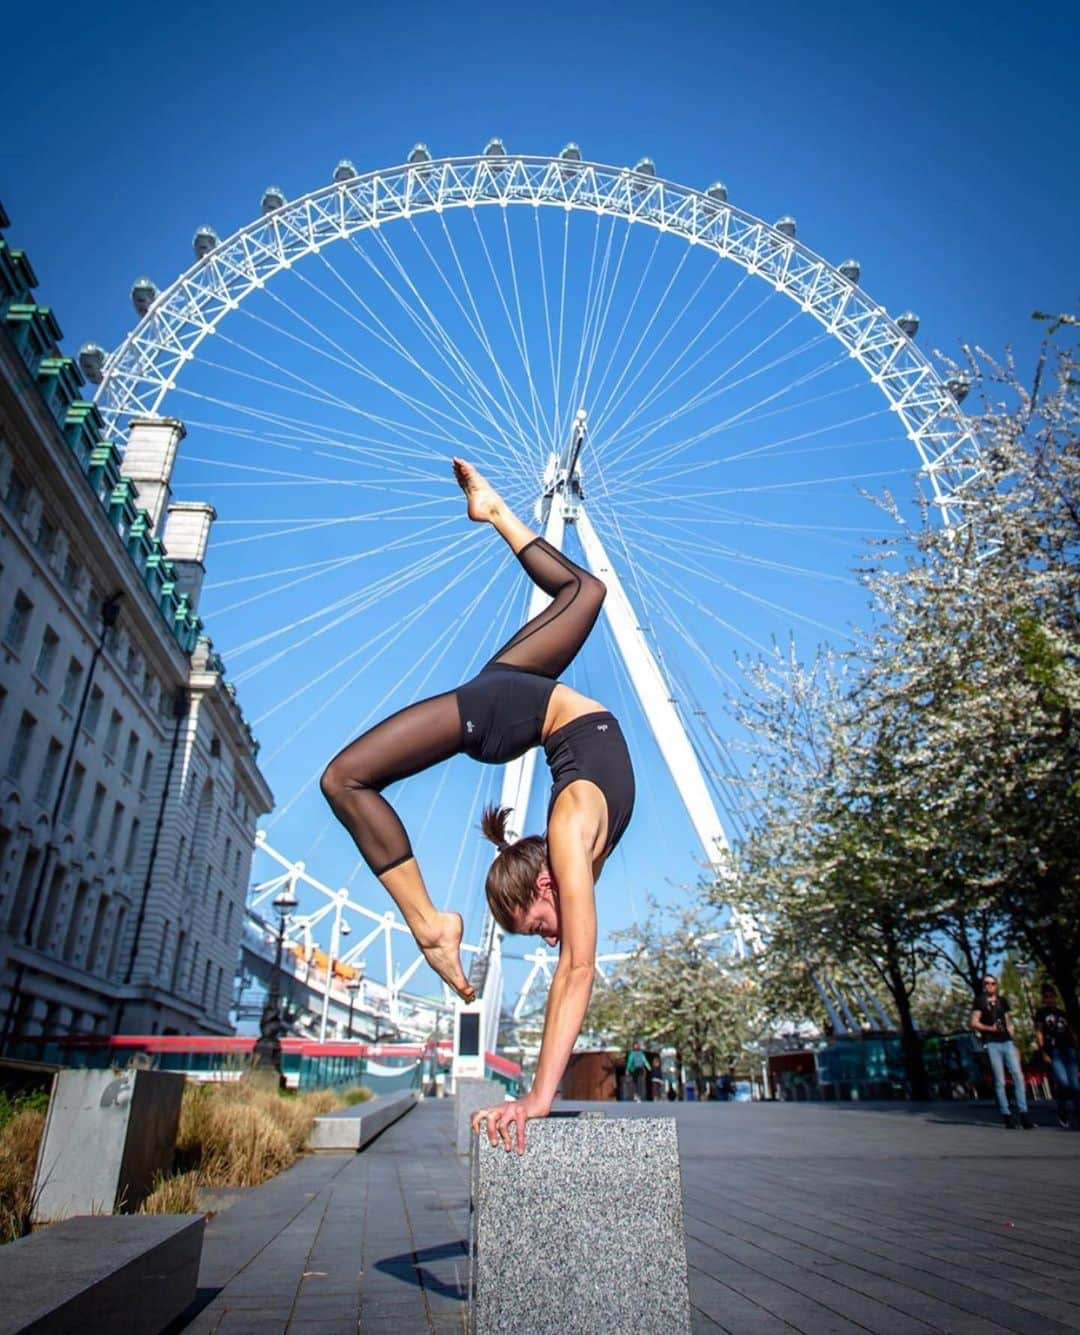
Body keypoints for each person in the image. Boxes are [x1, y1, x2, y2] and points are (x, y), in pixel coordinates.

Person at [321, 458, 635, 1153]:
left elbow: (575, 967)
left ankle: (431, 924)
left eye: (537, 922)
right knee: (585, 590)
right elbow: (575, 965)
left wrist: (538, 1096)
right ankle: (492, 510)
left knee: (345, 778)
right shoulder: (570, 839)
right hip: (520, 698)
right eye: (540, 930)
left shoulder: (566, 830)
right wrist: (539, 1095)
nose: (550, 935)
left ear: (546, 880)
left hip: (512, 707)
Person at [970, 974, 1035, 1129]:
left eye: (993, 983)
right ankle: (1006, 1114)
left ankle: (1024, 1112)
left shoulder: (1002, 1001)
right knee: (1000, 1080)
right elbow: (973, 1022)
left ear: (996, 985)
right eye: (987, 983)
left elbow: (1008, 1020)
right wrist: (989, 1029)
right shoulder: (980, 1001)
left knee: (1018, 1076)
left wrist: (1013, 1038)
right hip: (992, 1043)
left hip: (1007, 1042)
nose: (990, 986)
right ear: (983, 985)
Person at [1034, 984, 1080, 1129]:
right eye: (1046, 997)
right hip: (1054, 1051)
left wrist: (1077, 1047)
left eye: (1051, 996)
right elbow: (1039, 1032)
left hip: (1069, 1049)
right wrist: (1043, 1051)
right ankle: (1062, 1110)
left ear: (1055, 997)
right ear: (1043, 999)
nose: (1049, 999)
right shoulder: (1041, 1013)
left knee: (1075, 1084)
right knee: (1063, 1082)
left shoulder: (1063, 1014)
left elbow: (1072, 1032)